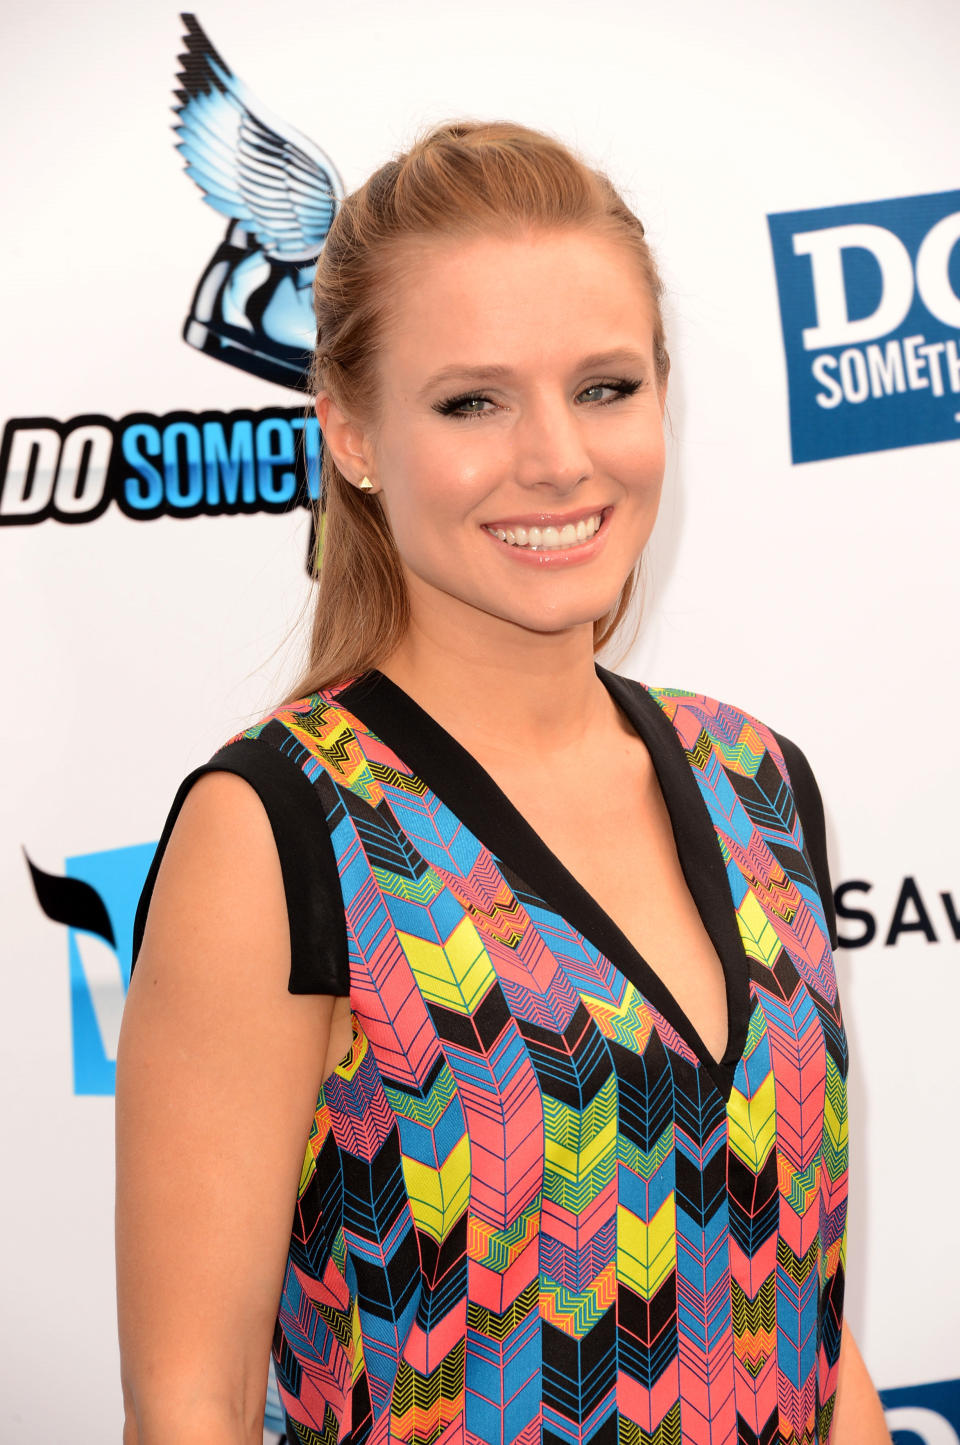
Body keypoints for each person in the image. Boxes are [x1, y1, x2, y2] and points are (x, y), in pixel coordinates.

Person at [115, 121, 891, 1445]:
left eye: (605, 386)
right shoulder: (283, 832)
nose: (557, 457)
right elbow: (189, 1403)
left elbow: (797, 1320)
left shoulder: (758, 778)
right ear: (353, 434)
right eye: (473, 400)